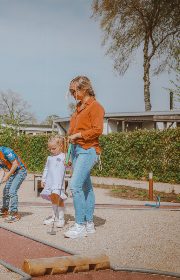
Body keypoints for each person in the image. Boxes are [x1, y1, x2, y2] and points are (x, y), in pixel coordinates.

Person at [64, 76, 105, 238]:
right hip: (75, 150)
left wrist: (79, 134)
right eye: (71, 91)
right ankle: (89, 224)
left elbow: (97, 130)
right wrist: (69, 152)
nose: (72, 94)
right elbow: (71, 132)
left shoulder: (96, 107)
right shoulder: (78, 107)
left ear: (84, 90)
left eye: (74, 91)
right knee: (85, 187)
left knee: (74, 185)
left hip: (88, 149)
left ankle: (79, 225)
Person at [0, 134, 27, 223]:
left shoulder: (6, 151)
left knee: (12, 191)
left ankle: (14, 213)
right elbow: (1, 170)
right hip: (13, 172)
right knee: (6, 191)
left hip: (20, 171)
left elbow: (15, 164)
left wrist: (7, 176)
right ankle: (5, 210)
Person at [40, 135, 68, 228]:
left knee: (59, 199)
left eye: (53, 148)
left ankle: (61, 219)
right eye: (50, 149)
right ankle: (54, 217)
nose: (51, 150)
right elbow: (46, 169)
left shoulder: (64, 156)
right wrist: (43, 179)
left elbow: (69, 167)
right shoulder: (49, 158)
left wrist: (68, 163)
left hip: (58, 182)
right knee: (53, 199)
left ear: (60, 146)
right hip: (50, 182)